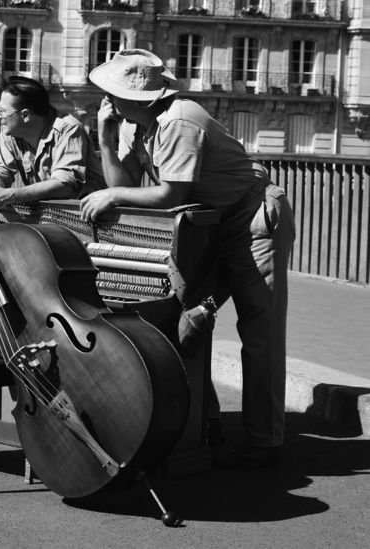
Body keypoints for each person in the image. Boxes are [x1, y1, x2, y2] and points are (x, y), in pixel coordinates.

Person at [81, 49, 295, 468]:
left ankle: (263, 443)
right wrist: (105, 139)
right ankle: (203, 424)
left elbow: (168, 195)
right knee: (183, 318)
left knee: (260, 332)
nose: (103, 100)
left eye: (110, 93)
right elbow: (124, 185)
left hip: (250, 219)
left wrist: (113, 194)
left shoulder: (180, 119)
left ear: (139, 96)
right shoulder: (132, 124)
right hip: (205, 223)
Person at [0, 76, 106, 212]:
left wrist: (9, 196)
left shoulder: (68, 129)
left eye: (2, 111)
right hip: (49, 215)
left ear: (25, 115)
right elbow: (0, 170)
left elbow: (65, 185)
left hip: (87, 219)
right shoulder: (10, 133)